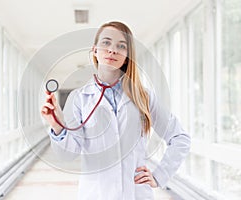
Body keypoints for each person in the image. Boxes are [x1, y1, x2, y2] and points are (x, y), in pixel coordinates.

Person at [41, 21, 191, 200]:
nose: (112, 50)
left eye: (121, 46)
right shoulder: (79, 98)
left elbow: (180, 138)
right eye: (106, 43)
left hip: (136, 194)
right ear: (94, 50)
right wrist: (57, 126)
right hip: (96, 194)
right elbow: (68, 155)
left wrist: (159, 175)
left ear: (127, 56)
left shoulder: (144, 97)